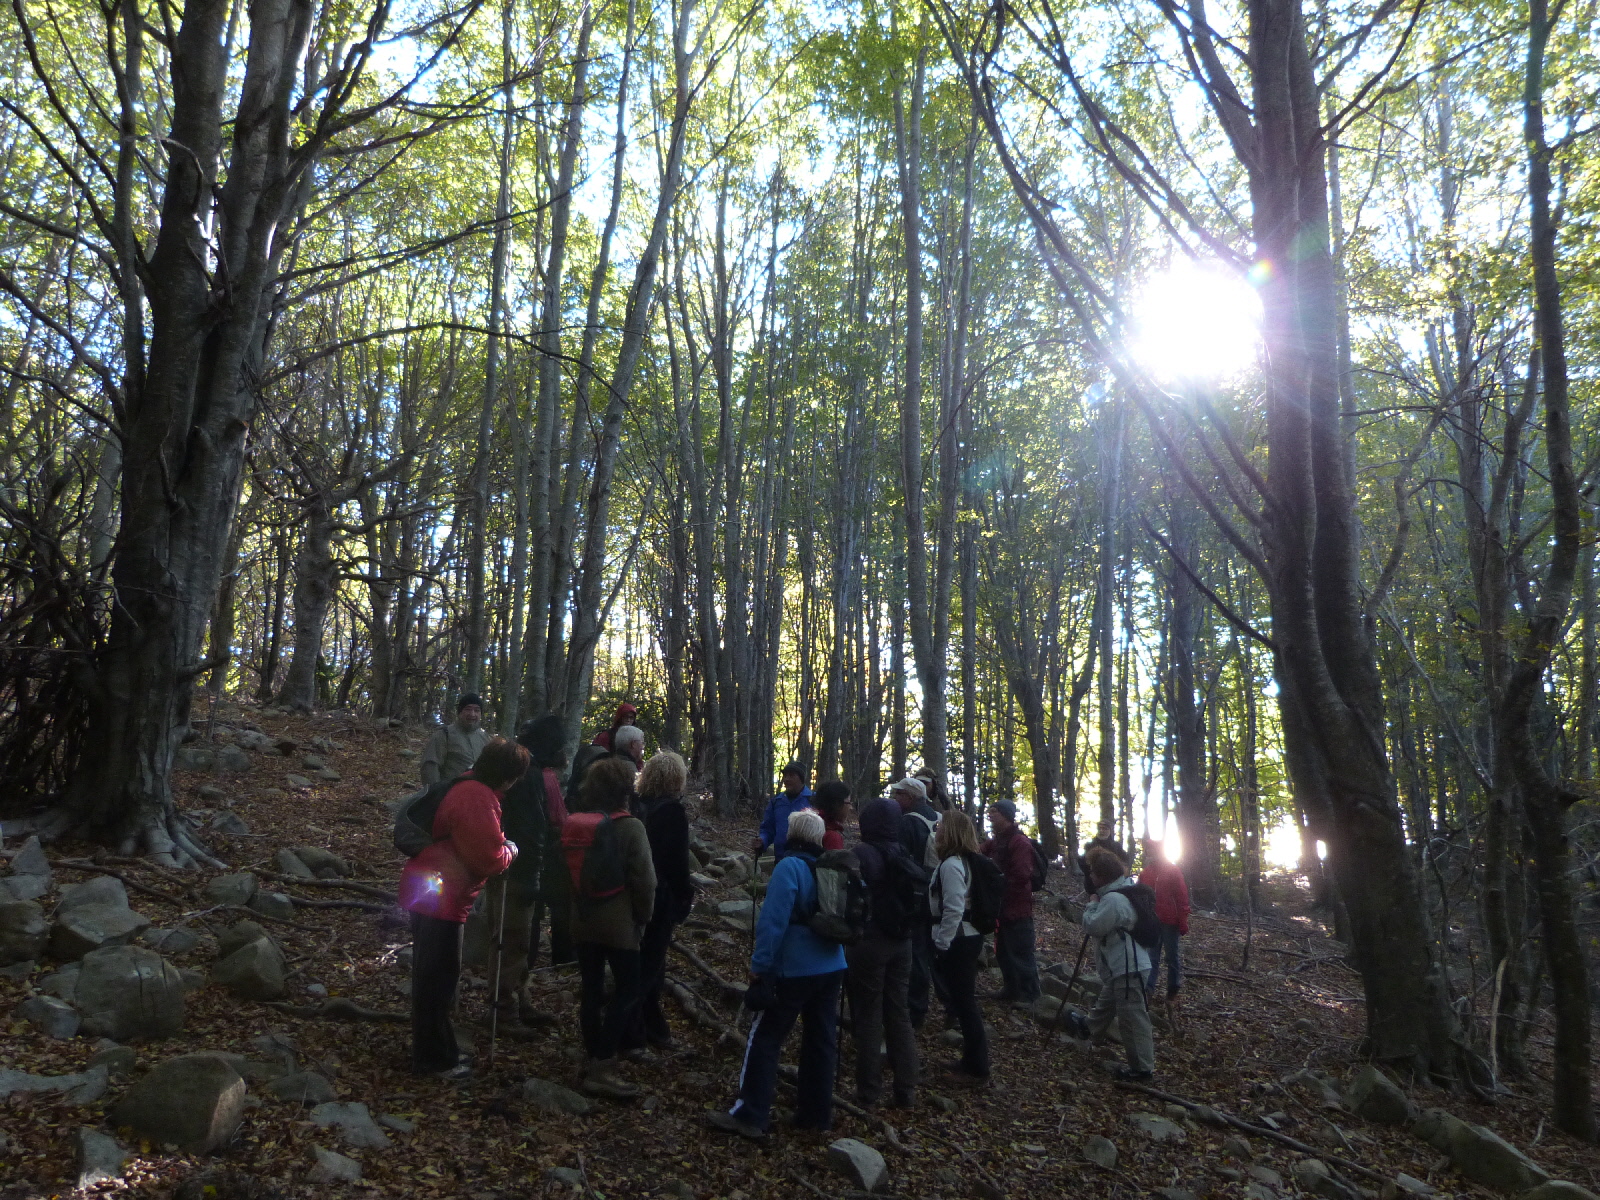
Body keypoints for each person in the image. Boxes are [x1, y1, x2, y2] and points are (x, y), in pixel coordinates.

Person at [711, 810, 847, 1140]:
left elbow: (773, 922)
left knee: (765, 1037)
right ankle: (816, 1115)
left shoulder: (790, 866)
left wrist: (760, 966)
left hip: (794, 968)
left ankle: (750, 1114)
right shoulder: (831, 868)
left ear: (791, 834)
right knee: (821, 1041)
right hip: (832, 965)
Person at [398, 737, 527, 1079]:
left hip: (430, 890)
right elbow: (487, 859)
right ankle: (434, 1060)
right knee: (437, 981)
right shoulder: (477, 797)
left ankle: (439, 1052)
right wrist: (511, 850)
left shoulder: (466, 784)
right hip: (441, 897)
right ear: (507, 776)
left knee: (432, 978)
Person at [565, 755, 656, 1099]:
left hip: (582, 920)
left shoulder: (577, 824)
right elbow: (645, 881)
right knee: (628, 990)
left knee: (590, 990)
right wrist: (643, 917)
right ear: (625, 790)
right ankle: (603, 1064)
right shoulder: (631, 827)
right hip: (619, 925)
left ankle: (593, 1054)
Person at [485, 714, 570, 1035]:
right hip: (516, 872)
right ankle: (504, 1012)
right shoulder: (528, 775)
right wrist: (534, 879)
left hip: (507, 866)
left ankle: (519, 1000)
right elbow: (531, 830)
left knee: (516, 942)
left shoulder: (519, 769)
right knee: (512, 942)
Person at [846, 796, 920, 1110]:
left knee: (868, 1016)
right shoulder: (902, 852)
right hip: (902, 941)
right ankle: (906, 1089)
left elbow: (848, 899)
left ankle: (868, 1092)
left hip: (870, 941)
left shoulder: (861, 854)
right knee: (899, 1012)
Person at [624, 750, 694, 1053]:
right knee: (649, 968)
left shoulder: (635, 805)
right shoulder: (672, 812)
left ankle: (653, 1027)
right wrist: (683, 898)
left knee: (649, 965)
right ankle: (631, 1034)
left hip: (632, 892)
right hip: (660, 896)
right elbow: (677, 862)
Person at [1070, 845, 1155, 1081]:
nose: (1090, 877)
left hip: (1128, 966)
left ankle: (1142, 1069)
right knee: (1108, 1001)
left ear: (1102, 876)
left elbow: (1093, 926)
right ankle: (1089, 1027)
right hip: (1126, 965)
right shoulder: (1124, 890)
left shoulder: (1114, 899)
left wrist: (1092, 904)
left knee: (1132, 1019)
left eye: (1093, 873)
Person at [930, 810, 989, 1086]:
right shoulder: (958, 862)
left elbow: (954, 908)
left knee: (964, 1002)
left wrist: (942, 944)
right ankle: (970, 1060)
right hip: (964, 937)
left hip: (959, 940)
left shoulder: (952, 865)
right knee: (963, 1000)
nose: (937, 829)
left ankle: (977, 1068)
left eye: (941, 826)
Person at [890, 776, 946, 1029]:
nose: (895, 798)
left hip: (916, 895)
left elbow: (901, 861)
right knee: (938, 954)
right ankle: (949, 1007)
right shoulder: (939, 818)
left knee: (918, 953)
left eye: (898, 794)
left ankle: (915, 1010)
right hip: (941, 893)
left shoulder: (908, 822)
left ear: (910, 797)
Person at [984, 800, 1040, 1007]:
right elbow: (980, 852)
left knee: (1021, 953)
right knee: (1003, 951)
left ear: (1006, 816)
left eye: (994, 811)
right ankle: (1011, 989)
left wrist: (997, 883)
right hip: (1002, 909)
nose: (990, 815)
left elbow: (1021, 875)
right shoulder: (998, 841)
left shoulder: (1019, 842)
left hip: (1017, 909)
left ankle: (1030, 995)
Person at [1139, 837, 1190, 1013]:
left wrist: (1182, 920)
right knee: (1152, 957)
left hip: (1170, 921)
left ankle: (1172, 990)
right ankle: (1148, 990)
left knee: (1171, 957)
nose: (1150, 852)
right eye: (1148, 849)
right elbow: (1140, 895)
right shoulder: (1146, 873)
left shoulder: (1173, 871)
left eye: (1152, 849)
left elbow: (1182, 897)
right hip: (1153, 920)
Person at [420, 694, 491, 785]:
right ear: (460, 712)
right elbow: (430, 767)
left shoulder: (485, 738)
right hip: (450, 790)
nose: (472, 714)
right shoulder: (444, 734)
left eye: (476, 710)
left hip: (478, 791)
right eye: (468, 709)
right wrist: (435, 791)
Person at [752, 762, 814, 861]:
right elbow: (768, 829)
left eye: (791, 775)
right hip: (781, 858)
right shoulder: (776, 801)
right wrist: (762, 841)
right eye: (785, 776)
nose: (786, 779)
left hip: (808, 860)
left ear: (801, 778)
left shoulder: (813, 800)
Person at [813, 780, 853, 851]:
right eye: (848, 803)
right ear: (837, 804)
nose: (850, 807)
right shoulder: (832, 837)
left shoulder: (804, 826)